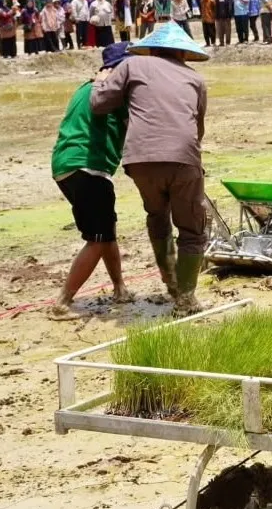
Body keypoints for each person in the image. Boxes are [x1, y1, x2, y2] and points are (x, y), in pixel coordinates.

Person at [90, 23, 210, 316]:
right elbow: (198, 128)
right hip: (183, 157)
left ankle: (170, 284)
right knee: (192, 229)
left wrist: (99, 80)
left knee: (157, 215)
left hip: (140, 160)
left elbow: (98, 104)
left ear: (153, 48)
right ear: (183, 52)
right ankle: (185, 299)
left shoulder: (132, 65)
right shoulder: (195, 80)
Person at [49, 43, 135, 319]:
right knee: (97, 239)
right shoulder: (112, 92)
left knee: (106, 230)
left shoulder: (84, 88)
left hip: (65, 165)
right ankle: (63, 302)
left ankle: (119, 287)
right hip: (88, 167)